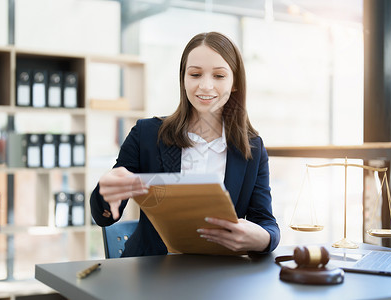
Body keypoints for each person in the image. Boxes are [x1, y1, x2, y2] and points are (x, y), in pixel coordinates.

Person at [90, 31, 280, 257]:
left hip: (219, 275)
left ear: (235, 82)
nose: (206, 86)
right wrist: (106, 192)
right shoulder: (147, 135)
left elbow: (266, 222)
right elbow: (106, 214)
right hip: (153, 274)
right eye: (195, 74)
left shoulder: (252, 149)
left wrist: (263, 239)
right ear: (183, 78)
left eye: (219, 76)